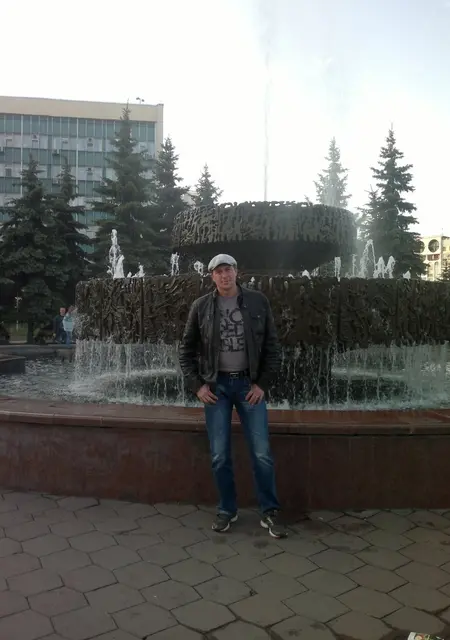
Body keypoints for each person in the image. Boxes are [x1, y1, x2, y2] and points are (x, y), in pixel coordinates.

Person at [179, 254, 286, 538]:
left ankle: (269, 510)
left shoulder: (257, 301)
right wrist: (198, 386)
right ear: (212, 276)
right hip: (217, 388)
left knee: (262, 453)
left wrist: (262, 384)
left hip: (249, 386)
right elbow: (186, 350)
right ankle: (227, 509)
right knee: (219, 455)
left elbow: (273, 346)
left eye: (228, 270)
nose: (224, 275)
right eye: (219, 271)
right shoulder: (201, 306)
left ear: (237, 272)